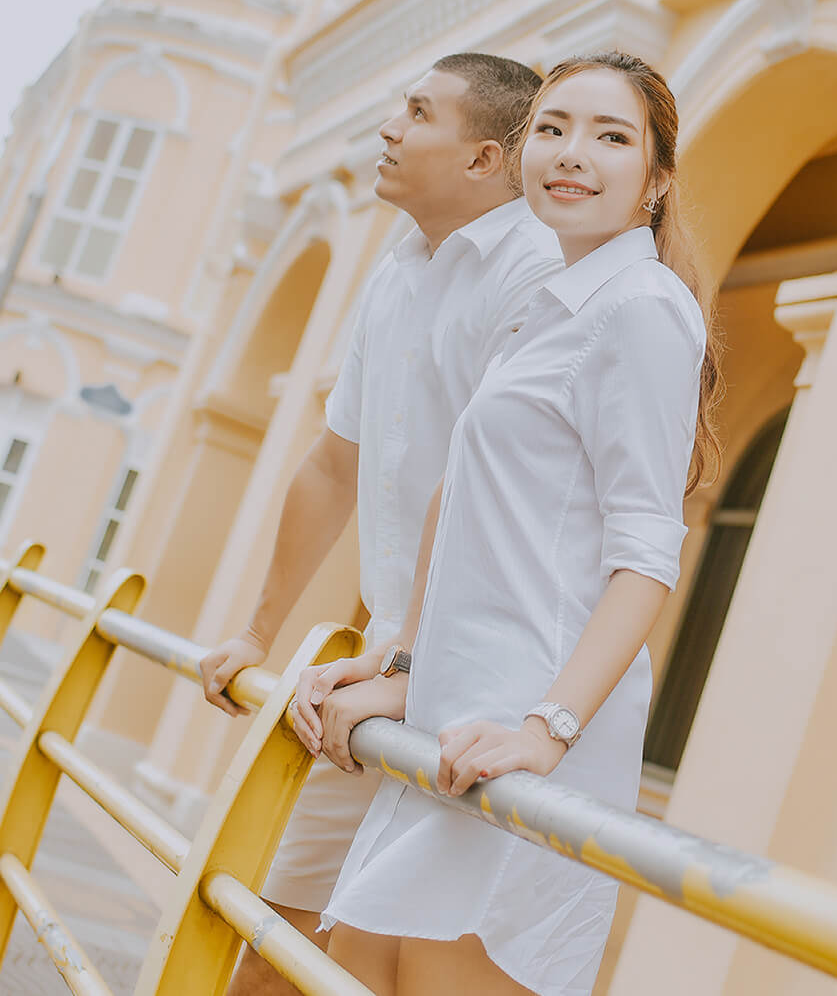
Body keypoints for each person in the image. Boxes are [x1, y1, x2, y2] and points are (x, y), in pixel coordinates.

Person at [313, 50, 722, 996]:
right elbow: (458, 499)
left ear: (656, 179)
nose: (573, 153)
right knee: (352, 970)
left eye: (611, 137)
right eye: (554, 127)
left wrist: (547, 730)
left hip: (523, 735)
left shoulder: (642, 308)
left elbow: (647, 553)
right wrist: (400, 663)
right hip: (454, 717)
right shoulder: (548, 303)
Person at [197, 52, 562, 996]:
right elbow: (332, 465)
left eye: (416, 112)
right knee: (271, 933)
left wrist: (410, 667)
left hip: (479, 687)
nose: (390, 128)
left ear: (485, 158)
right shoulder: (397, 271)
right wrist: (256, 633)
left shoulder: (538, 274)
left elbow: (487, 495)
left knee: (403, 967)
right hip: (384, 673)